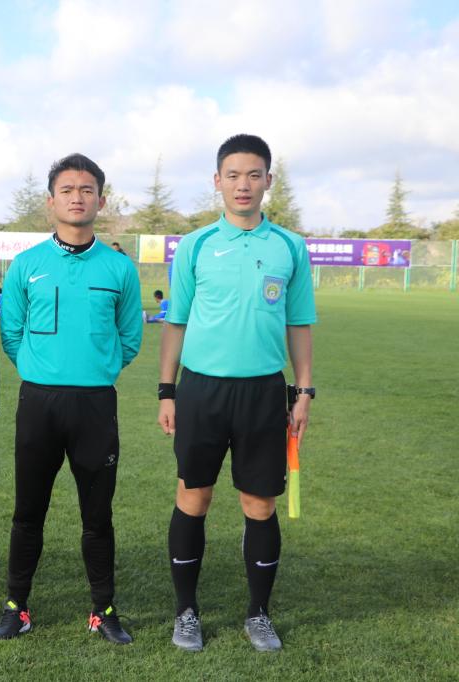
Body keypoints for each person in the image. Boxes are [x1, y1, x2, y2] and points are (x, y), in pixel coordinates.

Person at [157, 134, 316, 653]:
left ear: (268, 180)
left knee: (259, 503)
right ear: (217, 181)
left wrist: (304, 391)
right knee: (193, 496)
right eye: (232, 175)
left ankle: (258, 614)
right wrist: (167, 391)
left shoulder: (290, 247)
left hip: (264, 392)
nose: (242, 184)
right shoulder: (196, 244)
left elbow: (298, 323)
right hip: (201, 390)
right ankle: (186, 612)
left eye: (253, 175)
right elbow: (176, 322)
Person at [0, 153, 143, 644]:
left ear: (101, 199)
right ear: (51, 200)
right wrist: (42, 369)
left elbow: (130, 336)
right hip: (40, 402)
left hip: (96, 405)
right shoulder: (27, 264)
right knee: (27, 512)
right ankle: (17, 606)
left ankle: (103, 609)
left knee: (97, 516)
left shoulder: (118, 268)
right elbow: (11, 333)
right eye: (67, 190)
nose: (77, 198)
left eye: (86, 190)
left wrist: (97, 369)